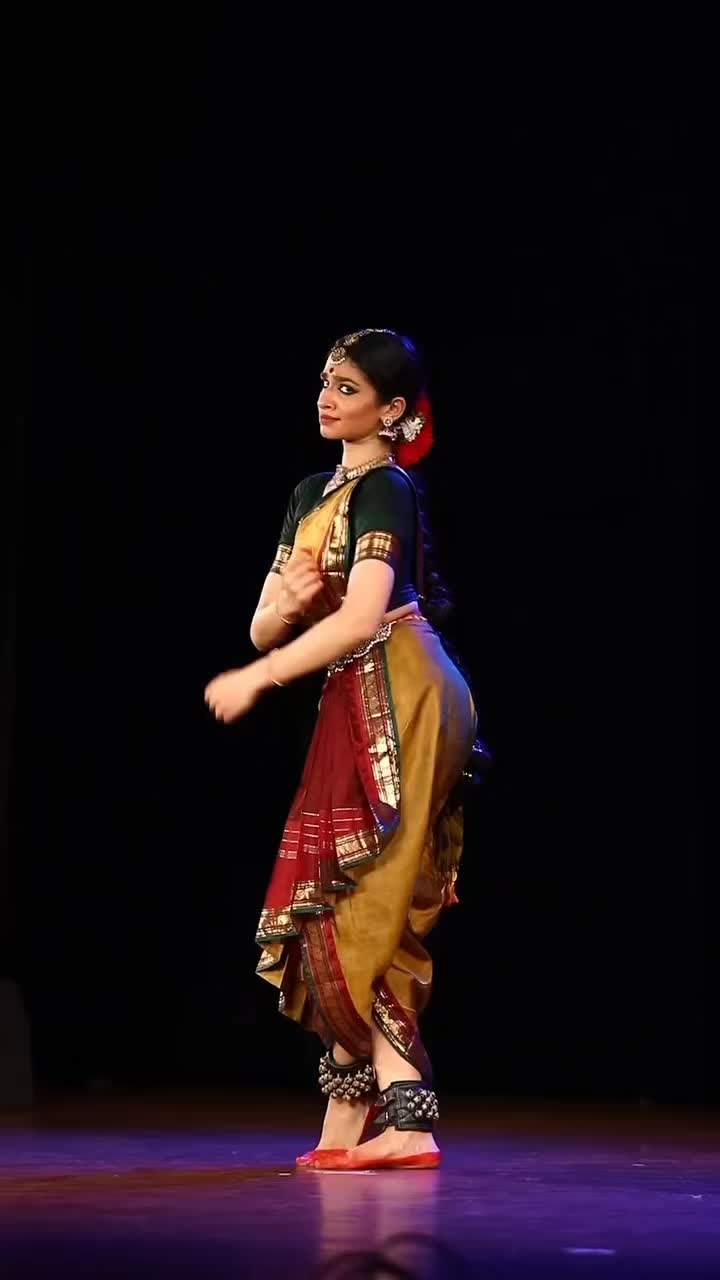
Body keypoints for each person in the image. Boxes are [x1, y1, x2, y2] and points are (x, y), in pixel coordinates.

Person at [204, 329, 477, 1171]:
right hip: (349, 694)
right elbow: (262, 619)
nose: (326, 396)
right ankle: (345, 1120)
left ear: (392, 412)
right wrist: (283, 609)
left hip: (402, 685)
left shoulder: (387, 489)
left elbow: (361, 619)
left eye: (348, 387)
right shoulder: (309, 492)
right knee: (330, 892)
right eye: (325, 380)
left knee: (376, 895)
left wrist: (259, 677)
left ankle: (410, 1120)